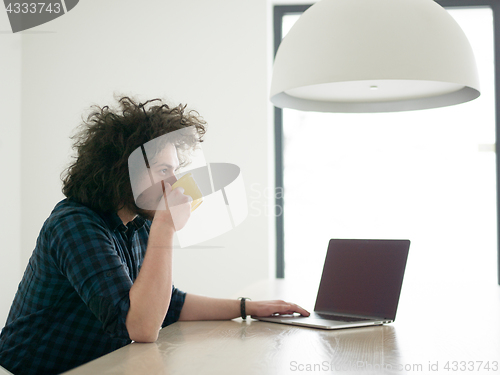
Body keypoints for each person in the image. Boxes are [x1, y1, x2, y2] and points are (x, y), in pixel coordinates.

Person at [0, 97, 309, 375]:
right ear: (123, 172)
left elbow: (168, 304)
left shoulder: (137, 223)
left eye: (175, 171)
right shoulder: (74, 225)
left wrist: (246, 308)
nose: (175, 183)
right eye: (163, 171)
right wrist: (165, 226)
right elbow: (142, 327)